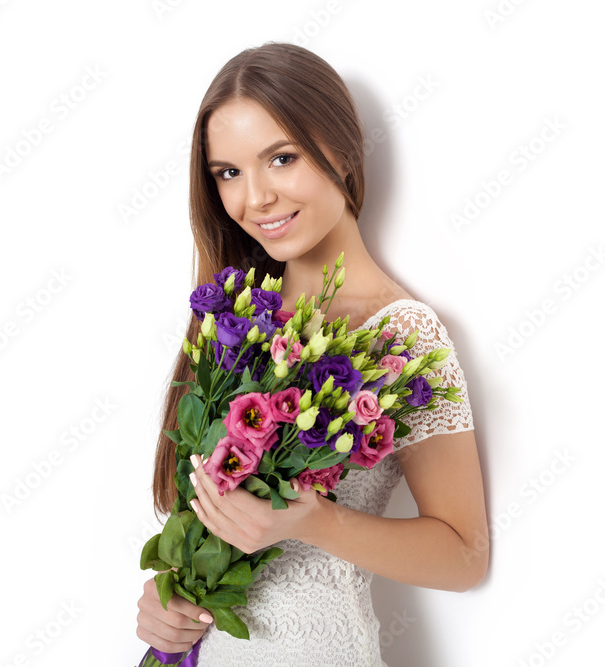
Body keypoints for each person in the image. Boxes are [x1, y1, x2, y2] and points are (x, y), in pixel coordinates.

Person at [134, 41, 489, 666]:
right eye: (229, 173)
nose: (257, 197)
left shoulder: (401, 336)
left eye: (281, 158)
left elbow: (464, 555)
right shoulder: (233, 318)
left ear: (343, 152)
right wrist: (169, 597)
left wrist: (312, 521)